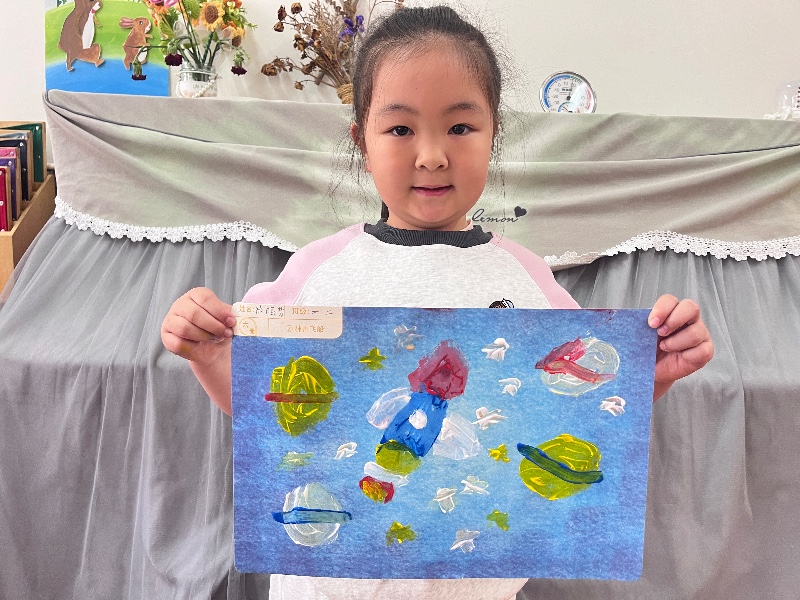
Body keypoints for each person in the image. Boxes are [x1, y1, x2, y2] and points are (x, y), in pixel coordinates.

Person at [161, 6, 714, 600]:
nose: (431, 155)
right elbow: (266, 411)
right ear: (361, 140)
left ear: (494, 135)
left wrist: (652, 372)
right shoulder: (319, 271)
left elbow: (575, 408)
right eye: (400, 129)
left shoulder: (526, 279)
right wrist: (208, 354)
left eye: (460, 127)